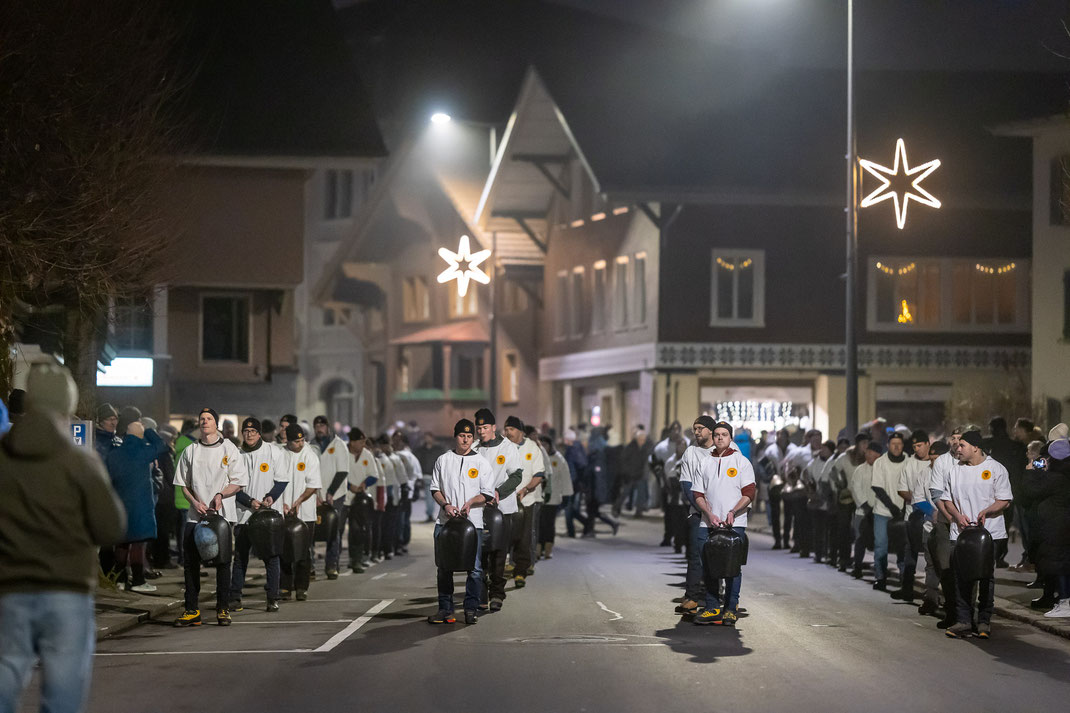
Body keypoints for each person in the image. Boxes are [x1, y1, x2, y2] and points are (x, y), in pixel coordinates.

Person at [0, 365, 126, 713]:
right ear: (66, 403)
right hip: (66, 588)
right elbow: (110, 528)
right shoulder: (79, 460)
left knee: (6, 670)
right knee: (63, 690)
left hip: (9, 587)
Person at [173, 408, 249, 626]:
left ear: (216, 424)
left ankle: (223, 609)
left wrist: (220, 495)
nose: (205, 422)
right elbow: (183, 484)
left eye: (209, 419)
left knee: (223, 562)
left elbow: (238, 482)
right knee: (190, 562)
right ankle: (191, 610)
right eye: (202, 419)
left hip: (222, 515)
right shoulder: (191, 450)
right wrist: (195, 502)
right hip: (195, 515)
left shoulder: (229, 448)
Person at [940, 430, 1012, 639]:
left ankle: (984, 620)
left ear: (975, 447)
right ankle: (963, 620)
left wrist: (987, 511)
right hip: (961, 533)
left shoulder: (995, 469)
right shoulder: (955, 471)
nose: (958, 448)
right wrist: (956, 515)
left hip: (989, 534)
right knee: (961, 577)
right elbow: (947, 500)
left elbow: (1005, 500)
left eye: (962, 445)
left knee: (985, 577)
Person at [427, 419, 495, 626]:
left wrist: (471, 503)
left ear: (473, 439)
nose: (465, 439)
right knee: (443, 568)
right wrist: (446, 505)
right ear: (455, 436)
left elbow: (487, 494)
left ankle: (470, 608)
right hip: (445, 523)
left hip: (472, 524)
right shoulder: (443, 460)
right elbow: (435, 488)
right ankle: (445, 609)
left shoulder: (481, 463)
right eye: (461, 435)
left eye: (469, 436)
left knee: (474, 569)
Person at [691, 421, 756, 626]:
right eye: (717, 434)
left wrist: (733, 512)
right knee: (708, 565)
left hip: (734, 522)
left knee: (731, 567)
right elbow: (698, 494)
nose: (720, 438)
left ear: (730, 438)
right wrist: (709, 514)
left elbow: (749, 493)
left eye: (724, 434)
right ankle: (712, 607)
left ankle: (730, 608)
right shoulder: (704, 462)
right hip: (707, 523)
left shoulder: (741, 462)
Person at [229, 418, 288, 613]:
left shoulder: (274, 452)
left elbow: (282, 480)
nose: (249, 434)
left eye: (253, 430)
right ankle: (235, 597)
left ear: (259, 433)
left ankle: (272, 597)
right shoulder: (236, 454)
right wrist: (249, 501)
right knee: (240, 557)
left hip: (268, 516)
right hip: (244, 515)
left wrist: (270, 498)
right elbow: (232, 486)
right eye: (246, 430)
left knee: (271, 557)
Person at [106, 420, 168, 592]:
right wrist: (148, 431)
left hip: (120, 504)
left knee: (122, 543)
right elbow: (161, 445)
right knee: (138, 543)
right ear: (140, 436)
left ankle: (118, 580)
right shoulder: (143, 451)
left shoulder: (114, 454)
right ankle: (138, 581)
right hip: (140, 505)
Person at [475, 408, 523, 609]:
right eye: (479, 427)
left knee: (499, 552)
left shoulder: (508, 447)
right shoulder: (475, 448)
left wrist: (498, 493)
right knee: (480, 552)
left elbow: (516, 476)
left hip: (503, 509)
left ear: (494, 427)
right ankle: (481, 592)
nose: (481, 431)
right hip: (479, 508)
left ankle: (497, 593)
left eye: (485, 427)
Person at [1021, 438, 1070, 618]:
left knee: (1060, 566)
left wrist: (1030, 473)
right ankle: (1060, 599)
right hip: (1060, 527)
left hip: (1056, 529)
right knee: (1061, 565)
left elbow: (1031, 491)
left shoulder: (1057, 478)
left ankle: (1065, 602)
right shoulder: (1062, 474)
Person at [675, 415, 717, 616]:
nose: (697, 432)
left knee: (719, 557)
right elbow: (687, 484)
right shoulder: (691, 453)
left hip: (721, 515)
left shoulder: (724, 451)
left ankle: (719, 598)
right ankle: (692, 596)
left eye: (701, 428)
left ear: (710, 430)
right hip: (697, 513)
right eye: (695, 429)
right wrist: (701, 509)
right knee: (695, 556)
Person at [928, 428, 966, 629]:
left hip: (969, 522)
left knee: (968, 569)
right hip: (946, 520)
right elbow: (936, 492)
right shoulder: (942, 461)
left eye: (960, 439)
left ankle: (969, 614)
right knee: (946, 567)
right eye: (953, 438)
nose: (956, 442)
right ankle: (952, 612)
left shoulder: (977, 460)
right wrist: (951, 516)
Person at [281, 424, 321, 601]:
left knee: (303, 552)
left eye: (302, 439)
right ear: (288, 441)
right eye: (297, 441)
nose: (301, 443)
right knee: (284, 550)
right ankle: (285, 586)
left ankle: (301, 587)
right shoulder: (280, 454)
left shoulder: (310, 455)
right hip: (283, 511)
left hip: (305, 513)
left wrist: (297, 502)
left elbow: (313, 485)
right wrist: (282, 503)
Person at [504, 416, 547, 584]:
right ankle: (504, 565)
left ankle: (520, 570)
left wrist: (526, 489)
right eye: (506, 430)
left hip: (527, 500)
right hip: (506, 499)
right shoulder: (503, 447)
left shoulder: (532, 448)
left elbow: (538, 475)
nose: (508, 433)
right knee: (506, 535)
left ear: (521, 431)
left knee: (524, 535)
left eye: (511, 429)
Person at [869, 432, 910, 592]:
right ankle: (880, 577)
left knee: (903, 546)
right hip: (883, 511)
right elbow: (877, 487)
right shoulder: (880, 462)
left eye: (899, 443)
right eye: (893, 443)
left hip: (905, 511)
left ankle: (904, 577)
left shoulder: (909, 461)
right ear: (888, 445)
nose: (896, 446)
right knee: (881, 546)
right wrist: (892, 507)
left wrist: (904, 507)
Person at [313, 415, 351, 579]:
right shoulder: (311, 446)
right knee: (312, 530)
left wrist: (330, 492)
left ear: (328, 427)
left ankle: (331, 565)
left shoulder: (339, 445)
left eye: (322, 425)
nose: (319, 428)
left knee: (332, 530)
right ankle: (310, 566)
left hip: (336, 495)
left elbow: (343, 470)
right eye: (317, 426)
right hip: (314, 495)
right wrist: (314, 493)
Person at [984, 417, 1025, 569]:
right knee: (1004, 526)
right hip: (1008, 493)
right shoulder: (1016, 446)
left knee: (988, 524)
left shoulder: (988, 444)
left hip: (990, 492)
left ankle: (990, 554)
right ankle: (999, 556)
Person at [345, 428, 381, 573]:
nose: (363, 444)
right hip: (344, 497)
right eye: (360, 442)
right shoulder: (343, 454)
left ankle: (356, 560)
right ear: (352, 442)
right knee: (338, 530)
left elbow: (374, 475)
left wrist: (364, 484)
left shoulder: (367, 455)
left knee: (357, 530)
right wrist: (349, 486)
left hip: (359, 500)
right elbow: (337, 474)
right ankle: (335, 562)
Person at [847, 442, 882, 579]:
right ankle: (857, 566)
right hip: (863, 513)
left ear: (878, 454)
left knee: (879, 542)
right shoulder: (860, 470)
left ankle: (879, 570)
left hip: (880, 512)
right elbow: (855, 489)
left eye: (871, 452)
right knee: (860, 540)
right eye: (867, 452)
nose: (868, 454)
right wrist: (865, 505)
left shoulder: (883, 469)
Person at [538, 434, 574, 560]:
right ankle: (539, 547)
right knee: (539, 524)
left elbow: (565, 477)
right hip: (539, 497)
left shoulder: (558, 459)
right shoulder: (537, 457)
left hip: (553, 497)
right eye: (541, 444)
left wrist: (566, 494)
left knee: (549, 524)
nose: (543, 447)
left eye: (545, 444)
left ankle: (548, 548)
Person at [802, 440, 836, 564]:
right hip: (817, 501)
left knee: (830, 530)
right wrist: (810, 489)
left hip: (831, 501)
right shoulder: (814, 463)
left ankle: (829, 553)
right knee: (818, 529)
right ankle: (818, 553)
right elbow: (805, 475)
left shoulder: (833, 462)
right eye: (822, 448)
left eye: (826, 449)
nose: (823, 451)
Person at [392, 431, 421, 554]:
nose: (396, 442)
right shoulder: (392, 455)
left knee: (402, 519)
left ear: (404, 443)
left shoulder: (408, 457)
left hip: (405, 493)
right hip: (393, 492)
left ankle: (402, 542)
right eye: (395, 439)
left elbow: (416, 475)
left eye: (399, 440)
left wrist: (414, 490)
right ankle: (396, 542)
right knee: (396, 519)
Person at [562, 429, 589, 537]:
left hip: (572, 483)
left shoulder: (571, 451)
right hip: (576, 483)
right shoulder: (579, 448)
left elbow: (570, 468)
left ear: (567, 440)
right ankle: (576, 528)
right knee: (570, 508)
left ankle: (573, 530)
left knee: (568, 508)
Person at [414, 432, 446, 523]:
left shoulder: (438, 450)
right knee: (429, 497)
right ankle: (430, 514)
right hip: (426, 476)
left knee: (436, 497)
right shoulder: (421, 450)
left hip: (437, 476)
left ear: (432, 438)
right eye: (425, 438)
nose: (427, 440)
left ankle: (434, 514)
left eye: (428, 437)